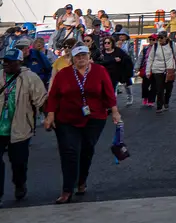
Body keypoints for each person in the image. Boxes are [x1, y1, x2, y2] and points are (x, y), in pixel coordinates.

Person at [44, 44, 121, 204]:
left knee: (86, 150)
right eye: (78, 56)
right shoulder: (63, 74)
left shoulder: (99, 71)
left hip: (94, 118)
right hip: (67, 119)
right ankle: (67, 190)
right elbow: (53, 96)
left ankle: (81, 180)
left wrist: (115, 111)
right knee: (69, 152)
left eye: (84, 55)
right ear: (72, 59)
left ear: (89, 56)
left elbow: (108, 92)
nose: (81, 59)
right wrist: (50, 115)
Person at [1, 48, 47, 205]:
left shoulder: (30, 78)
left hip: (20, 127)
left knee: (18, 162)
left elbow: (41, 100)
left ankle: (20, 183)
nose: (5, 64)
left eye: (10, 62)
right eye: (4, 61)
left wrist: (49, 118)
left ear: (19, 62)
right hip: (0, 128)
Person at [145, 29, 176, 113]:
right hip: (157, 69)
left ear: (166, 38)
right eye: (158, 38)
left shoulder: (171, 44)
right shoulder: (155, 46)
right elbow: (150, 59)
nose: (159, 39)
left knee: (169, 88)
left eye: (161, 38)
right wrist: (148, 71)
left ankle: (166, 101)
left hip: (169, 69)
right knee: (159, 89)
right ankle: (159, 106)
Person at [95, 36, 134, 108]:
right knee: (109, 90)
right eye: (105, 43)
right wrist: (113, 60)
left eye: (108, 43)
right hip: (107, 74)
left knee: (125, 85)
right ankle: (111, 105)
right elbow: (98, 62)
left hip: (118, 72)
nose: (106, 44)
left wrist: (122, 63)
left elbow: (127, 59)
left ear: (112, 43)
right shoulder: (102, 53)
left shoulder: (118, 51)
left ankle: (129, 97)